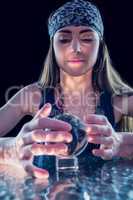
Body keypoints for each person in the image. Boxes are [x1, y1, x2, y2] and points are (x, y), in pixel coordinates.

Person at [0, 0, 133, 179]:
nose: (76, 48)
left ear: (100, 45)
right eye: (64, 39)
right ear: (52, 46)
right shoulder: (32, 96)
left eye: (86, 38)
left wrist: (121, 142)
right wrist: (11, 149)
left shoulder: (120, 99)